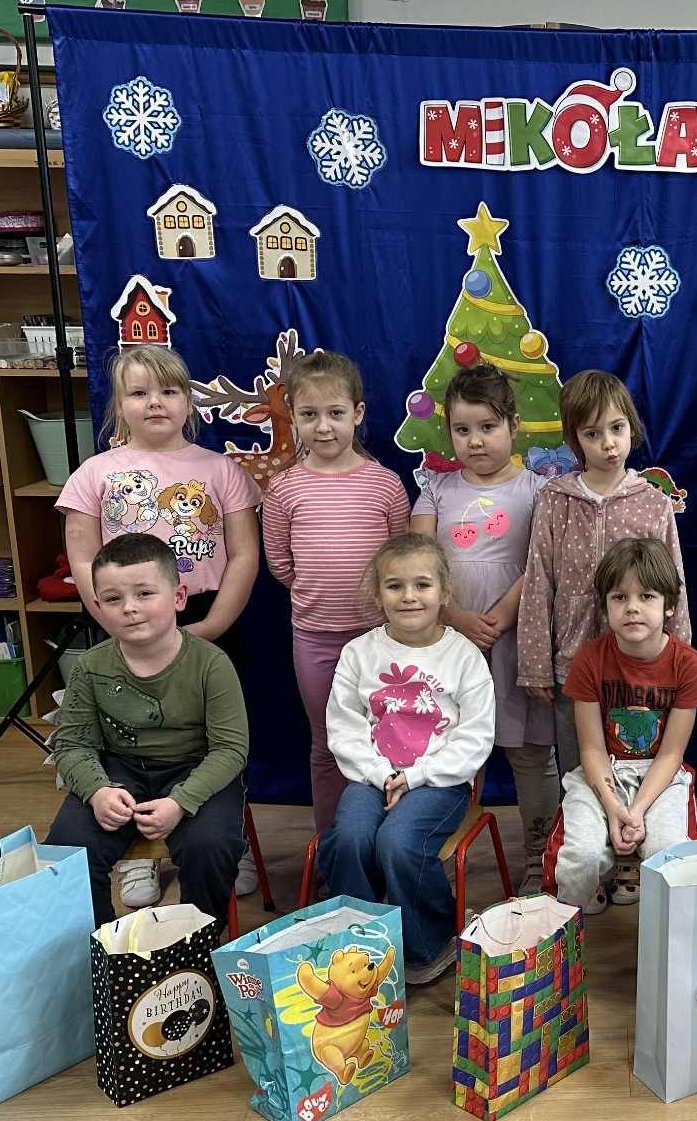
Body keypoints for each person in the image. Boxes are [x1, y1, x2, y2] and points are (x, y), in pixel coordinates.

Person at [59, 344, 261, 904]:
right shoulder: (95, 473)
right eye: (139, 393)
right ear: (118, 405)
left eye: (169, 391)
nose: (155, 403)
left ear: (188, 403)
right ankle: (138, 855)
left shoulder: (219, 469)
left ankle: (228, 837)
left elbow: (245, 554)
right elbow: (82, 556)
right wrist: (115, 619)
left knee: (216, 735)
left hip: (206, 616)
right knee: (128, 734)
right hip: (124, 618)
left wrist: (213, 625)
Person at [318, 533, 496, 986]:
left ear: (445, 592)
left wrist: (414, 777)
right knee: (350, 838)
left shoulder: (464, 656)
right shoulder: (359, 653)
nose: (409, 596)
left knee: (398, 842)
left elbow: (476, 737)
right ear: (378, 594)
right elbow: (344, 727)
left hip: (439, 782)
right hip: (371, 777)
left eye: (422, 585)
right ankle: (360, 946)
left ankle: (428, 945)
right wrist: (382, 774)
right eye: (395, 586)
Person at [45, 532, 247, 928]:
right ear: (97, 607)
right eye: (113, 599)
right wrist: (98, 791)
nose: (130, 608)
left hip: (195, 768)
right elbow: (72, 745)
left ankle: (197, 948)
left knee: (209, 845)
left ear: (178, 597)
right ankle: (100, 948)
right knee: (69, 849)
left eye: (144, 594)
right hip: (119, 770)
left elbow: (230, 750)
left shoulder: (212, 663)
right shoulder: (89, 666)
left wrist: (180, 802)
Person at [409, 364, 558, 863]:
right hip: (449, 644)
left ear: (513, 425)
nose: (474, 441)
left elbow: (542, 563)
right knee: (443, 751)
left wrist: (500, 617)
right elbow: (418, 563)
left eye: (487, 427)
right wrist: (455, 616)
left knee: (529, 753)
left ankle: (541, 855)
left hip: (515, 642)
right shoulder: (436, 490)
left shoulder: (539, 491)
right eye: (462, 429)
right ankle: (433, 857)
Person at [261, 351, 410, 837]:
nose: (323, 427)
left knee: (387, 739)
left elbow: (401, 562)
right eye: (309, 415)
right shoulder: (284, 489)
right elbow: (281, 565)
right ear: (293, 416)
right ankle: (333, 844)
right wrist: (319, 595)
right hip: (316, 639)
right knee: (328, 743)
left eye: (335, 413)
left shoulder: (385, 485)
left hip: (379, 638)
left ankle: (385, 839)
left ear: (357, 414)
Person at [518, 370, 689, 775]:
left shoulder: (652, 503)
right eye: (592, 434)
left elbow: (674, 583)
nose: (608, 443)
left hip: (640, 666)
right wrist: (535, 664)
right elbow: (538, 582)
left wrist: (681, 655)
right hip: (573, 662)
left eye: (617, 428)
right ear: (574, 439)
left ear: (631, 426)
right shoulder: (555, 500)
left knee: (641, 767)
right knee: (578, 772)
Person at [553, 538, 697, 913]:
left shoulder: (687, 664)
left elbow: (671, 753)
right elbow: (591, 748)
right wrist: (613, 810)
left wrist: (636, 811)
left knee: (669, 853)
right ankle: (577, 911)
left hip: (660, 773)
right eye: (620, 597)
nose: (633, 607)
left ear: (669, 606)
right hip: (602, 771)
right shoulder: (590, 658)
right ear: (605, 605)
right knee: (580, 860)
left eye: (647, 596)